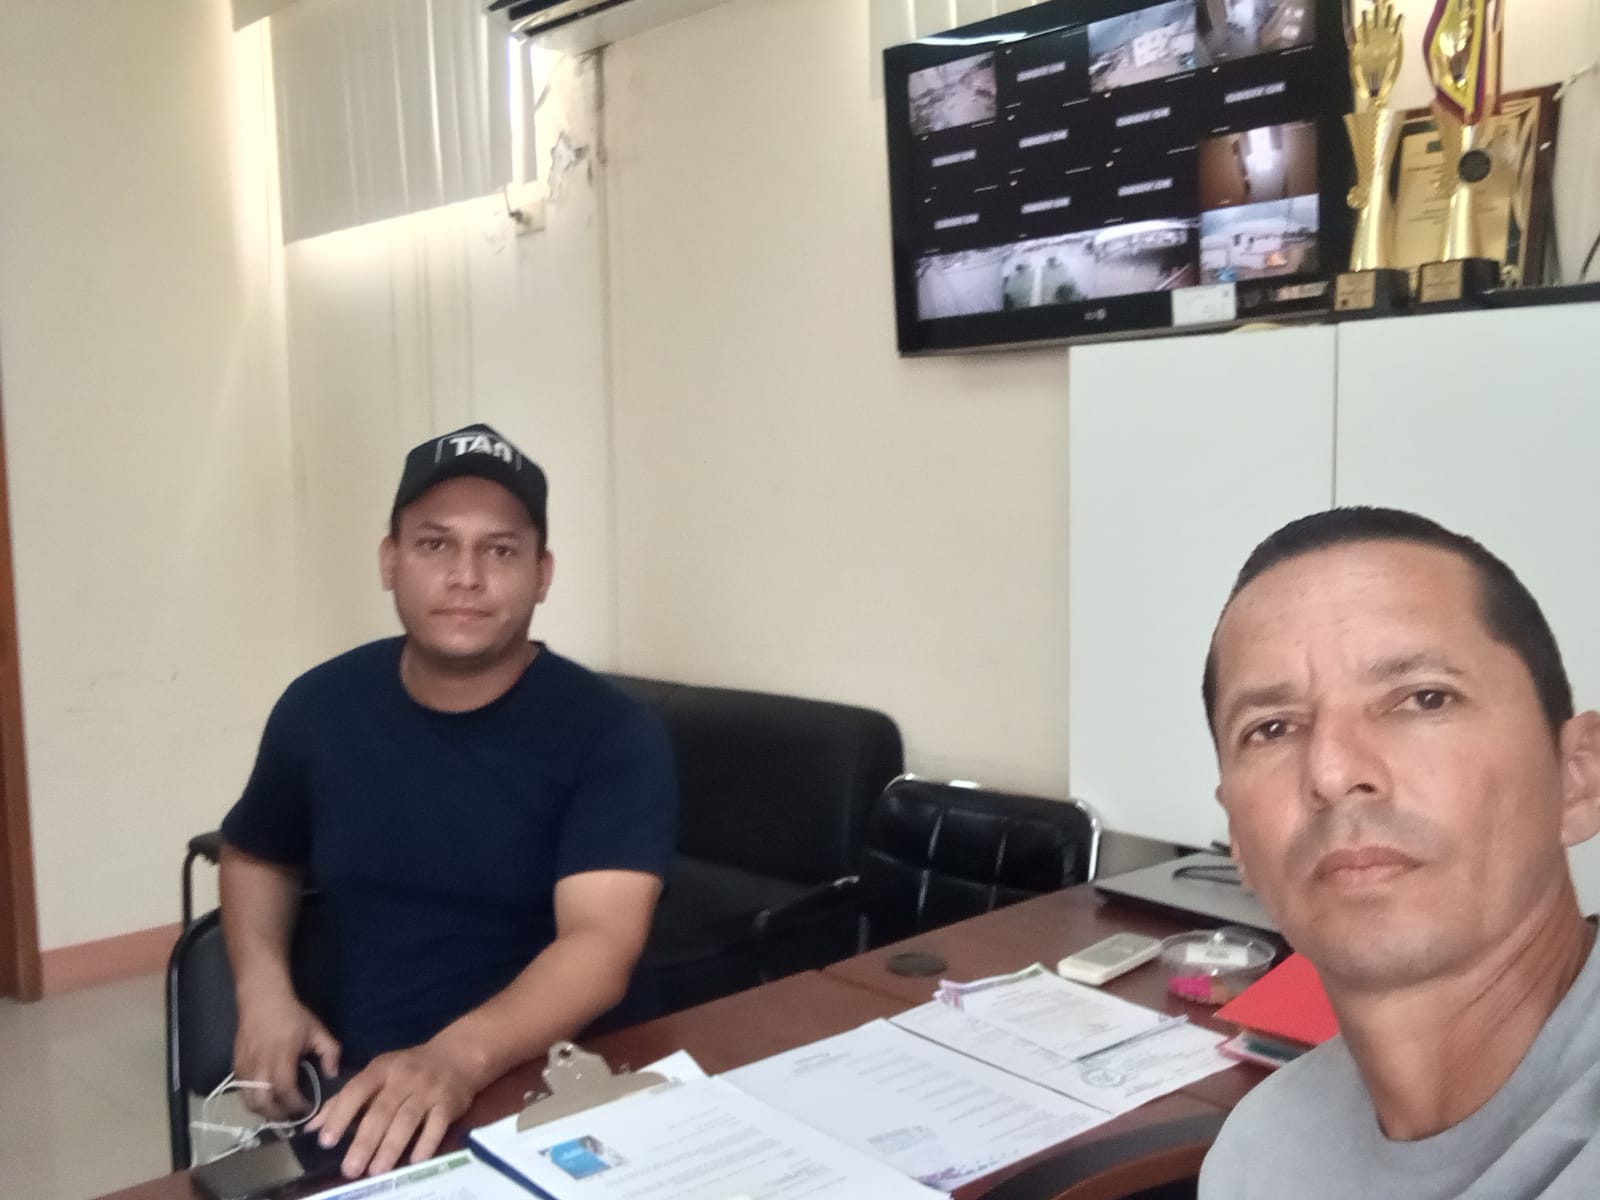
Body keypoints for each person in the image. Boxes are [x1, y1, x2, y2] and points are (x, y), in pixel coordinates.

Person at [218, 423, 677, 1179]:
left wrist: (455, 1058)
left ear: (542, 574)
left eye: (500, 550)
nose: (466, 576)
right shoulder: (320, 708)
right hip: (370, 1093)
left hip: (560, 1088)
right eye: (435, 544)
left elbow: (598, 943)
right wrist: (262, 988)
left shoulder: (611, 733)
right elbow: (257, 854)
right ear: (389, 560)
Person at [1197, 506, 1600, 1198]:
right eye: (1272, 728)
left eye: (1424, 699)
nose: (1331, 772)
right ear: (1238, 835)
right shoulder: (1253, 1158)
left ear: (1577, 777)